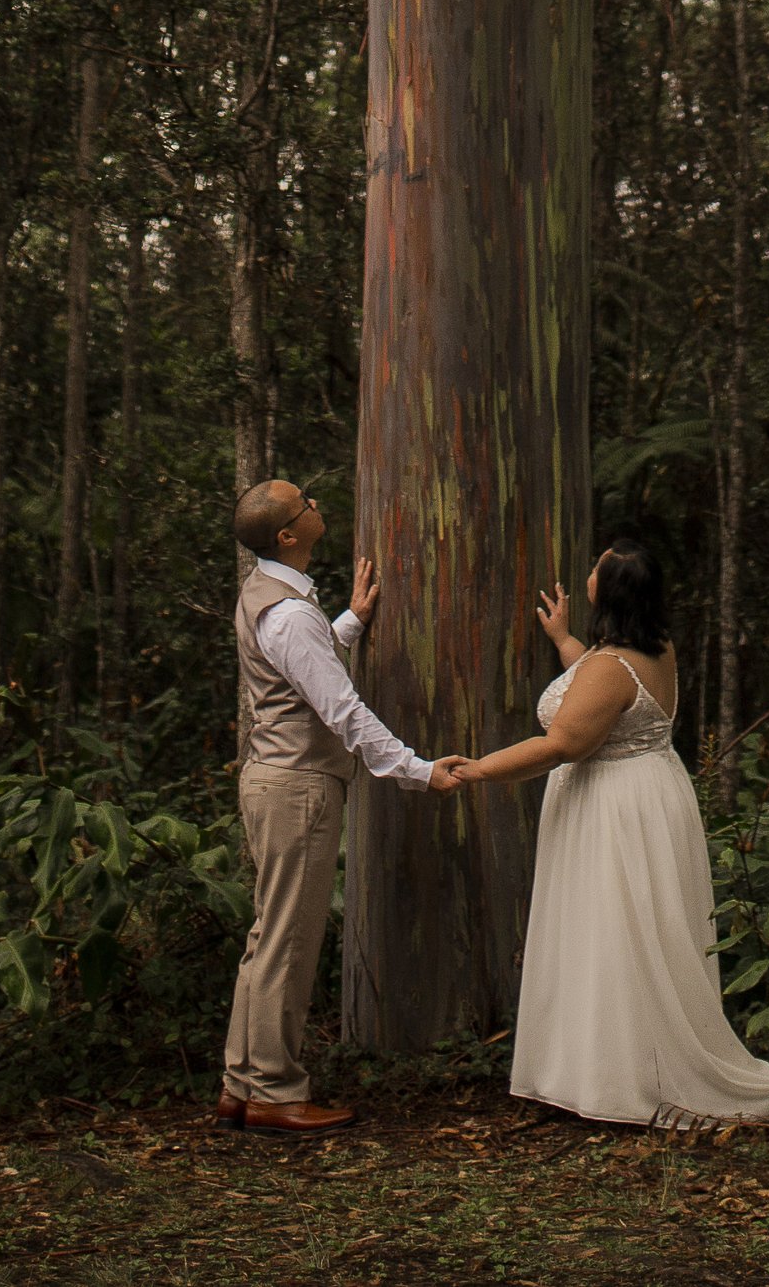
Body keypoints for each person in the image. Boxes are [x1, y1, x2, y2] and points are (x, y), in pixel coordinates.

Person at [442, 537, 769, 1131]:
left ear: (609, 590)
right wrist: (566, 640)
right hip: (650, 795)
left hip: (613, 807)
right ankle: (608, 1065)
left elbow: (565, 742)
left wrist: (476, 769)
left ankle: (620, 1075)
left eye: (596, 568)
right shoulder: (652, 650)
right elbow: (602, 693)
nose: (587, 572)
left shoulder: (609, 668)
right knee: (636, 929)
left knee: (614, 927)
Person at [220, 475, 459, 1133]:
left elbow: (304, 669)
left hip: (276, 777)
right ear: (288, 534)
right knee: (290, 939)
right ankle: (271, 1087)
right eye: (306, 504)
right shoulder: (290, 611)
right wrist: (418, 770)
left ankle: (242, 1083)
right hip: (299, 785)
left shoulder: (280, 601)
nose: (316, 503)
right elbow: (341, 708)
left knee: (270, 934)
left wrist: (348, 620)